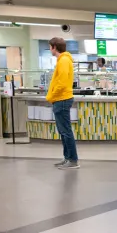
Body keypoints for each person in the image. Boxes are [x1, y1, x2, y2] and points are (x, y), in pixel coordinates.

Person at [47, 37, 79, 169]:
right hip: (60, 99)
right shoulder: (62, 60)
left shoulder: (64, 61)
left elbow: (62, 83)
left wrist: (52, 95)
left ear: (54, 47)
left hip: (62, 99)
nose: (50, 49)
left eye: (50, 47)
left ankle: (73, 160)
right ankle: (67, 157)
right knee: (63, 131)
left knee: (66, 131)